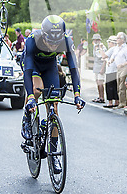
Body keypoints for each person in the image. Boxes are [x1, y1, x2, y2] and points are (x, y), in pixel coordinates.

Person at [20, 15, 85, 173]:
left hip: (50, 66)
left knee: (54, 106)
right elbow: (27, 72)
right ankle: (27, 118)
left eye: (56, 43)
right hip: (32, 65)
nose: (53, 46)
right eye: (50, 42)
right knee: (36, 90)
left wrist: (77, 94)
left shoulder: (67, 41)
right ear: (44, 35)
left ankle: (54, 153)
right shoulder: (32, 40)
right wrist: (30, 98)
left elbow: (74, 69)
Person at [107, 32, 127, 108]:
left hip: (123, 68)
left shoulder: (126, 48)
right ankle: (122, 101)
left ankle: (123, 103)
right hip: (118, 68)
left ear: (123, 40)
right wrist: (110, 61)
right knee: (118, 87)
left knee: (122, 86)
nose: (117, 40)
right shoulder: (116, 48)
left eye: (118, 38)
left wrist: (122, 64)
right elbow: (113, 56)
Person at [101, 36, 119, 108]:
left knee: (109, 86)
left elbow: (103, 56)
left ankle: (110, 102)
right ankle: (116, 101)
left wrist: (101, 48)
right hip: (115, 69)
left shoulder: (112, 49)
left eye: (109, 42)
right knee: (115, 86)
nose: (108, 43)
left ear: (112, 42)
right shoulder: (117, 49)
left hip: (111, 70)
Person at [91, 33, 106, 103]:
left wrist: (103, 68)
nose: (95, 41)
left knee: (100, 82)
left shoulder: (102, 47)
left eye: (97, 40)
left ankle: (102, 97)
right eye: (94, 40)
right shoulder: (95, 47)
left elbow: (103, 57)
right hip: (96, 66)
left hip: (100, 66)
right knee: (97, 82)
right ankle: (99, 96)